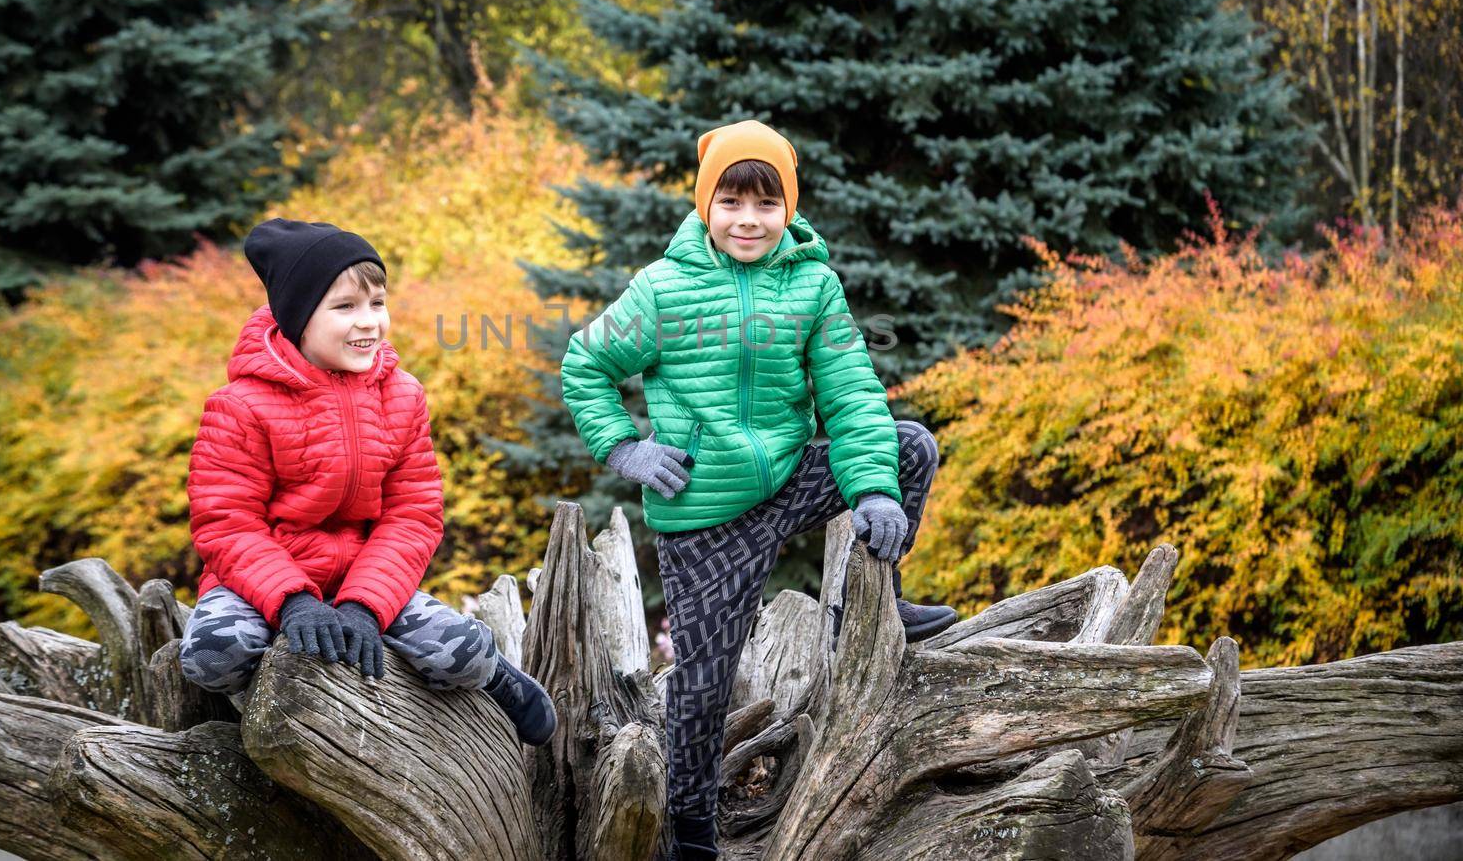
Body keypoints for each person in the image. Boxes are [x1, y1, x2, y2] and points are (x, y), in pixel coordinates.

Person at [561, 120, 959, 859]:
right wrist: (626, 447)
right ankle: (691, 835)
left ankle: (869, 608)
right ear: (706, 204)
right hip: (704, 512)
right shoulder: (663, 288)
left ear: (790, 207)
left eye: (766, 204)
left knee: (908, 447)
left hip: (786, 478)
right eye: (732, 202)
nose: (749, 220)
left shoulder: (813, 284)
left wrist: (873, 491)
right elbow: (585, 364)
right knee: (705, 686)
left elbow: (851, 395)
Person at [177, 217, 556, 747]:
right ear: (298, 318)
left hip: (366, 575)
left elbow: (413, 515)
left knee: (461, 654)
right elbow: (226, 523)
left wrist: (363, 604)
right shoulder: (240, 405)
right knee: (212, 657)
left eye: (377, 303)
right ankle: (274, 722)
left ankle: (497, 678)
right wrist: (291, 602)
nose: (369, 322)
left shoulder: (402, 396)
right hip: (266, 580)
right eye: (345, 307)